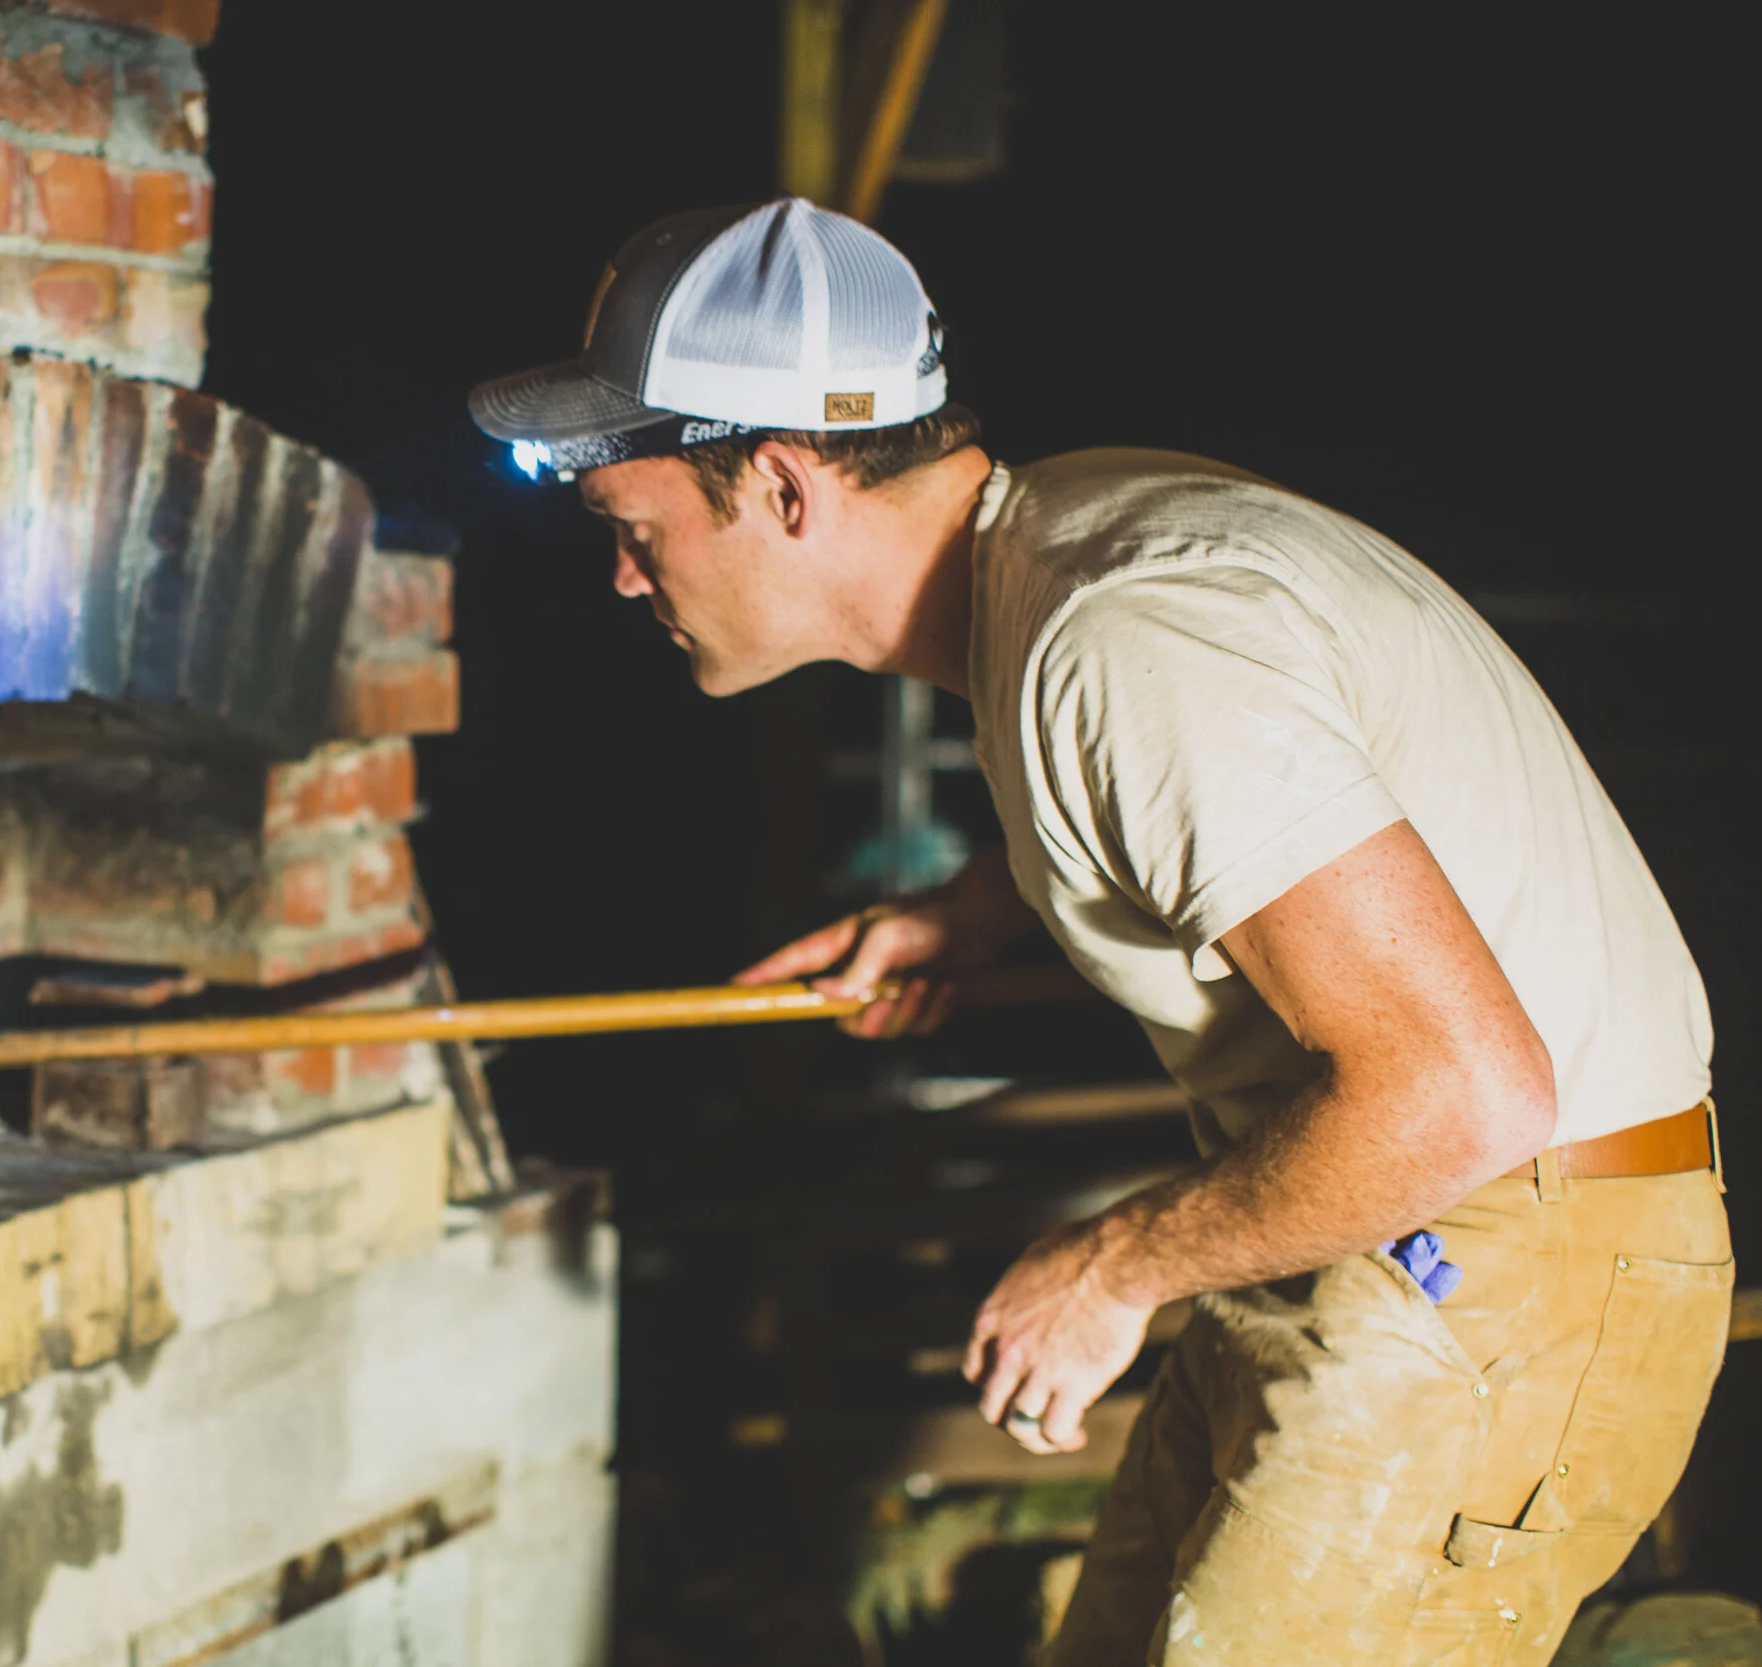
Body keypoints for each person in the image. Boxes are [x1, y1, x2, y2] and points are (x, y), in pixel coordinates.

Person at [468, 198, 1731, 1665]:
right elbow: (1217, 800)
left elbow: (1464, 1086)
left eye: (635, 531)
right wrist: (972, 910)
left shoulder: (1122, 635)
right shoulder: (1064, 550)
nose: (627, 580)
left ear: (785, 483)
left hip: (1504, 1263)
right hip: (1387, 1234)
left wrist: (1113, 1264)